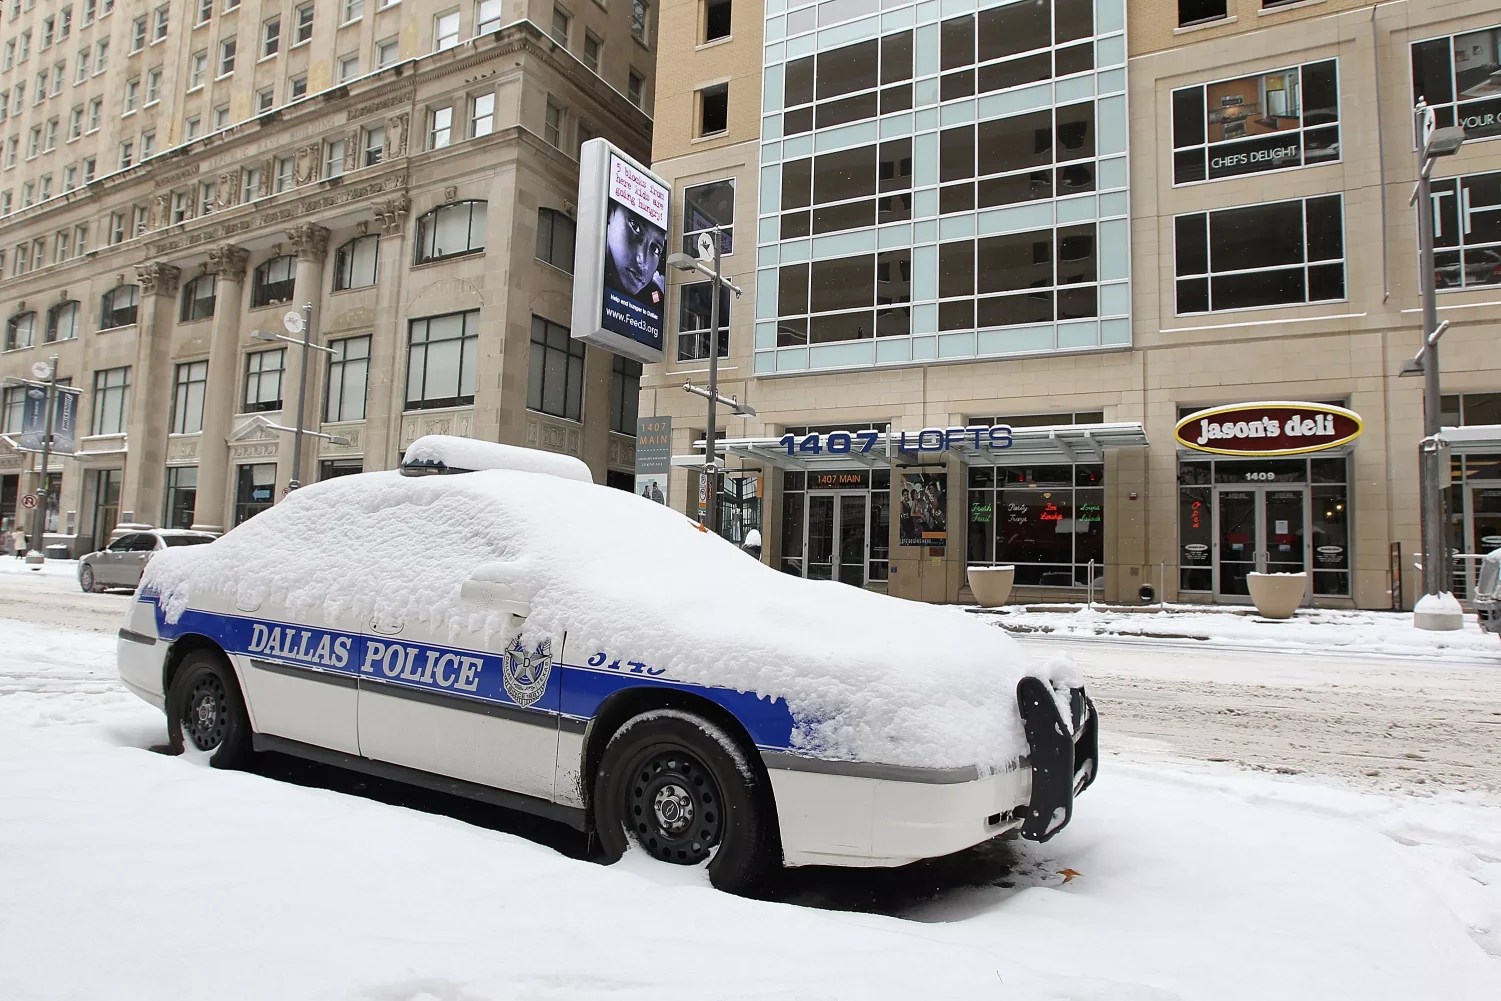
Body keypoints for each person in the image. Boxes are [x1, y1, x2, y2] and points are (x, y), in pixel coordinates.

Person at [603, 200, 666, 307]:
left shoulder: (655, 296)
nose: (642, 260)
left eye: (655, 249)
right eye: (636, 227)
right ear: (610, 212)